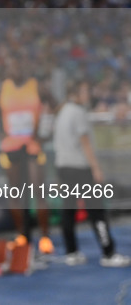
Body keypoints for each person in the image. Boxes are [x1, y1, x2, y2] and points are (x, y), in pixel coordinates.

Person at [0, 55, 55, 254]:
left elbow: (55, 106)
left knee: (39, 191)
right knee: (16, 194)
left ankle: (45, 238)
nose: (16, 71)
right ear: (7, 70)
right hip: (11, 146)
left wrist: (45, 134)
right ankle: (23, 236)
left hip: (32, 146)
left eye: (19, 66)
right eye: (12, 67)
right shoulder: (0, 90)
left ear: (25, 67)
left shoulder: (37, 87)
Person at [53, 80, 130, 267]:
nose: (89, 94)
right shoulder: (78, 112)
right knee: (97, 211)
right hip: (80, 168)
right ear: (76, 92)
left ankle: (71, 252)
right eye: (86, 90)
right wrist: (96, 168)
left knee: (68, 210)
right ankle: (108, 253)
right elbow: (85, 142)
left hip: (63, 167)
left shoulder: (63, 111)